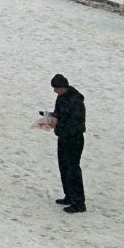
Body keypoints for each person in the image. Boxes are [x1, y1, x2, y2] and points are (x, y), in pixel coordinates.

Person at [48, 74, 87, 213]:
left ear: (63, 87)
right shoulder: (62, 98)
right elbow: (60, 114)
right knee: (64, 167)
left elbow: (75, 123)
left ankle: (78, 202)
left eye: (56, 88)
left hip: (73, 139)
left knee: (72, 169)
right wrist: (51, 118)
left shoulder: (75, 101)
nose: (55, 91)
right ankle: (69, 196)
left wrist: (59, 126)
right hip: (64, 138)